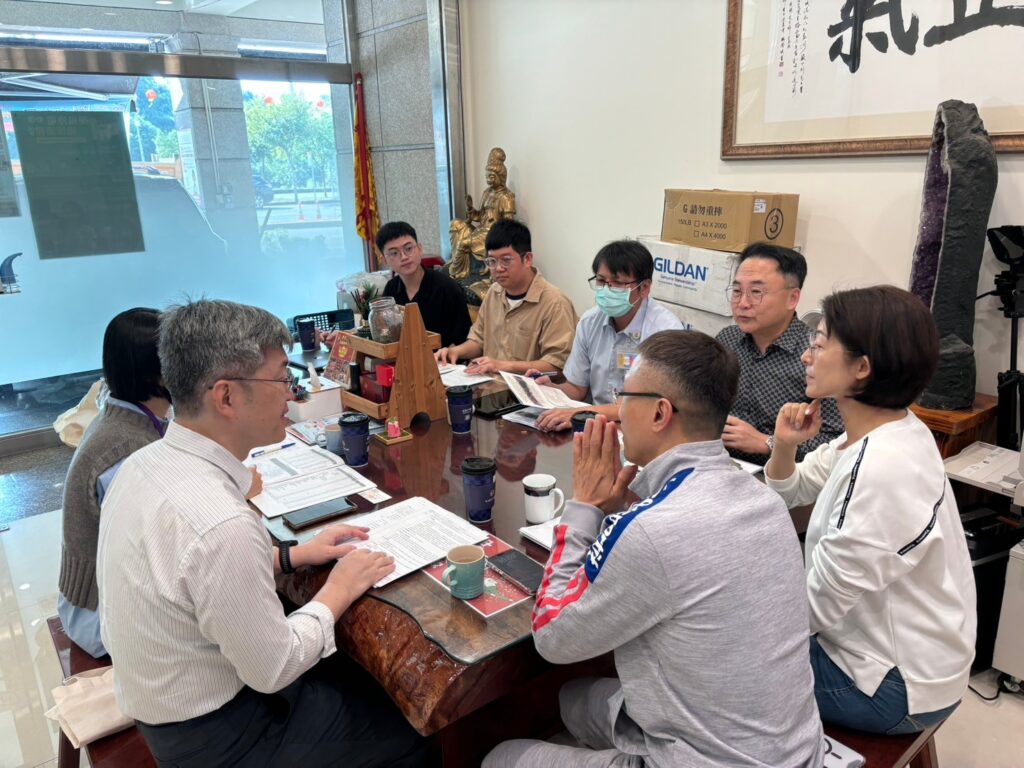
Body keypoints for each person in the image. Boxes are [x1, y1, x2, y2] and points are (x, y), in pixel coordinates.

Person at [96, 299, 426, 767]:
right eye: (281, 379)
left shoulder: (142, 464)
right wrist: (339, 588)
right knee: (412, 731)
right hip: (223, 738)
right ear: (226, 397)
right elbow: (276, 668)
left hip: (169, 708)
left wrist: (293, 555)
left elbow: (188, 579)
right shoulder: (220, 523)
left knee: (352, 676)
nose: (292, 394)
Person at [485, 331, 823, 768]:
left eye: (624, 396)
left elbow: (552, 637)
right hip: (794, 749)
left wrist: (584, 508)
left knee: (501, 756)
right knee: (573, 696)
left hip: (708, 761)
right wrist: (624, 506)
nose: (619, 410)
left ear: (660, 412)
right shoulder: (766, 501)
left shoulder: (650, 534)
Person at [764, 285, 976, 735]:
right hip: (907, 661)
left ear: (862, 368)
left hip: (894, 686)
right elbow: (791, 490)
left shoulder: (883, 466)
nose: (806, 355)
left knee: (711, 651)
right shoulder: (885, 429)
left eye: (820, 344)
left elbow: (813, 609)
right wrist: (784, 445)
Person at [57, 308, 171, 658]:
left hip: (92, 597)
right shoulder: (126, 451)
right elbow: (162, 544)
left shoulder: (120, 413)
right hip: (102, 617)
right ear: (157, 373)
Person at [532, 240, 682, 432]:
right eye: (601, 281)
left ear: (644, 288)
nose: (606, 290)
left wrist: (580, 413)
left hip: (646, 431)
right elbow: (577, 389)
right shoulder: (589, 322)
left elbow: (643, 406)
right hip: (595, 425)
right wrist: (551, 389)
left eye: (617, 283)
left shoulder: (665, 331)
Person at [715, 242, 842, 465]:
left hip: (782, 477)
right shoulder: (727, 340)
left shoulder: (816, 354)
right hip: (720, 464)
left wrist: (768, 442)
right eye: (737, 291)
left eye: (756, 292)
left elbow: (836, 443)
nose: (743, 303)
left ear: (792, 298)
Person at [435, 219, 578, 375]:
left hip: (530, 389)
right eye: (492, 261)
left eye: (506, 260)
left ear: (527, 259)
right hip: (491, 387)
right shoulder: (494, 292)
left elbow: (556, 366)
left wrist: (501, 366)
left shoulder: (554, 303)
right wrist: (455, 352)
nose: (498, 268)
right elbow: (479, 340)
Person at [324, 221, 471, 349]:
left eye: (409, 248)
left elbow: (462, 341)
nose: (404, 257)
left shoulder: (448, 288)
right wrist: (345, 338)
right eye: (394, 253)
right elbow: (385, 335)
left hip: (444, 364)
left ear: (420, 249)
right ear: (384, 260)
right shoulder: (391, 289)